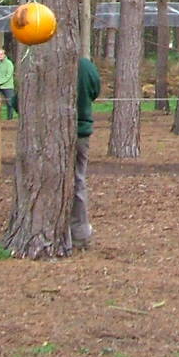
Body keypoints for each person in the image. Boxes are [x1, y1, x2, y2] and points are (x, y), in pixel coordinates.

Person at [72, 55, 101, 250]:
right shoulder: (85, 65)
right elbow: (95, 89)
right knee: (78, 180)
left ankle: (77, 232)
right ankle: (79, 232)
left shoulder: (42, 63)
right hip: (81, 133)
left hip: (62, 132)